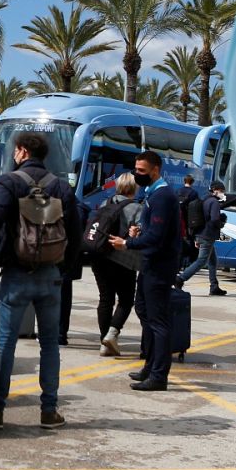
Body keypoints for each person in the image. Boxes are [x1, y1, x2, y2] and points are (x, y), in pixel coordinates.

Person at [0, 131, 81, 429]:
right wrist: (64, 269)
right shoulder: (60, 186)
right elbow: (76, 232)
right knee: (49, 343)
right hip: (50, 275)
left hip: (16, 272)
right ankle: (49, 410)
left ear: (22, 151)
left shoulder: (10, 182)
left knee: (6, 341)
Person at [111, 150, 182, 392]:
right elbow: (151, 230)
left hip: (160, 266)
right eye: (135, 170)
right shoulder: (151, 194)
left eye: (141, 171)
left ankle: (159, 375)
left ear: (155, 169)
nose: (136, 174)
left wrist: (127, 243)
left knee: (158, 321)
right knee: (144, 311)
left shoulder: (163, 197)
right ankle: (150, 366)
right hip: (150, 263)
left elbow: (158, 237)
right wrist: (138, 231)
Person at [94, 173, 144, 356]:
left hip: (100, 256)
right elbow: (140, 235)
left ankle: (103, 341)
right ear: (134, 187)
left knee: (105, 299)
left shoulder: (106, 203)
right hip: (123, 259)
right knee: (125, 300)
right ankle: (112, 334)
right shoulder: (137, 208)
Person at [179, 180, 228, 296]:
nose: (222, 193)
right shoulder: (214, 202)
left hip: (200, 234)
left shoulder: (204, 200)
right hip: (208, 235)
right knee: (201, 261)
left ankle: (214, 286)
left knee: (213, 261)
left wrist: (197, 238)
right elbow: (215, 219)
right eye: (221, 191)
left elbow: (200, 219)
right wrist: (221, 223)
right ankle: (181, 278)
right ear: (215, 190)